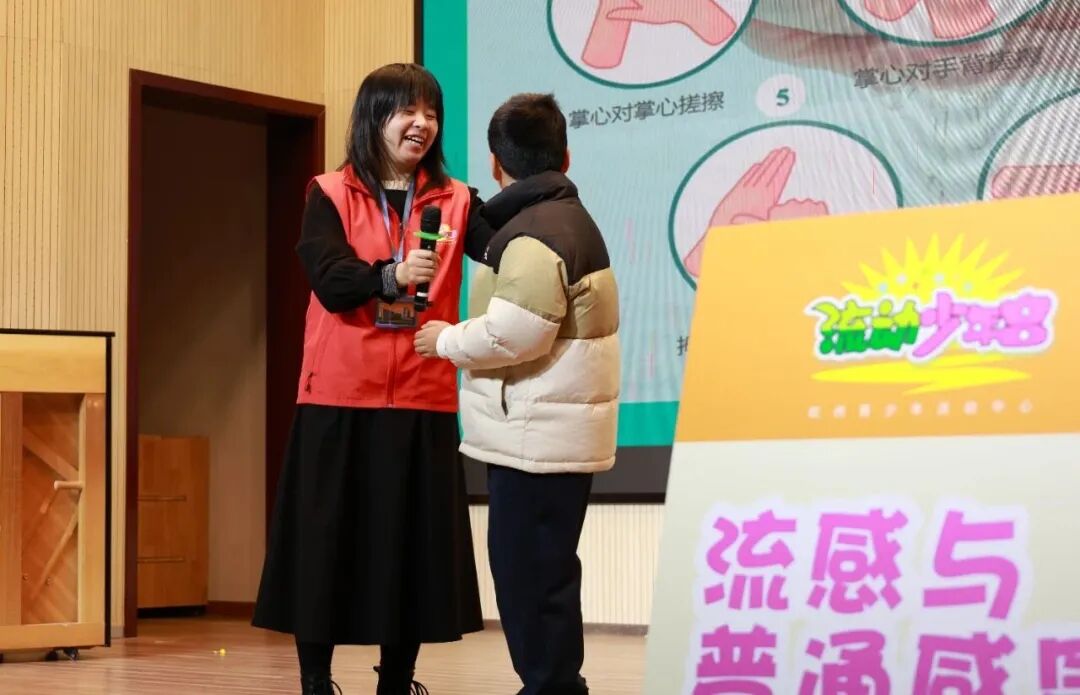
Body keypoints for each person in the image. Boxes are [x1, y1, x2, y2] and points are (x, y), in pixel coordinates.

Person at [253, 63, 490, 695]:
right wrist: (390, 275)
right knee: (324, 545)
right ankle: (315, 681)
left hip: (421, 395)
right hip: (338, 395)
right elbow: (331, 280)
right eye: (407, 110)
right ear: (373, 117)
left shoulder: (457, 199)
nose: (422, 123)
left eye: (431, 113)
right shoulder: (329, 193)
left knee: (408, 550)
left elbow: (508, 245)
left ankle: (398, 681)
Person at [414, 93, 620, 695]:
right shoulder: (558, 219)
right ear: (566, 157)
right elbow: (494, 248)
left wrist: (445, 340)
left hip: (536, 438)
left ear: (496, 162)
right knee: (544, 573)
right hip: (550, 435)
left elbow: (516, 333)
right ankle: (556, 685)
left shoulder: (537, 234)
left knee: (528, 577)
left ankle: (549, 687)